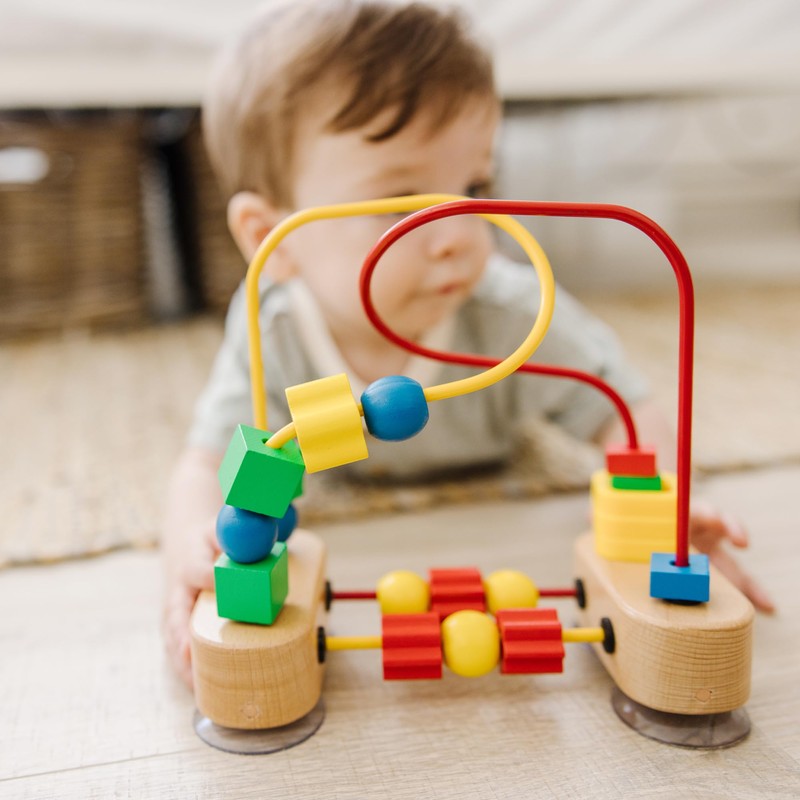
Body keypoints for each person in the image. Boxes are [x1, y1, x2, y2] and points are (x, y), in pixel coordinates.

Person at [162, 0, 774, 687]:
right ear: (267, 239)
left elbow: (626, 409)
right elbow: (204, 461)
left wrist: (670, 509)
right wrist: (196, 547)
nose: (460, 231)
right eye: (398, 205)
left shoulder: (513, 316)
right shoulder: (271, 329)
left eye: (474, 187)